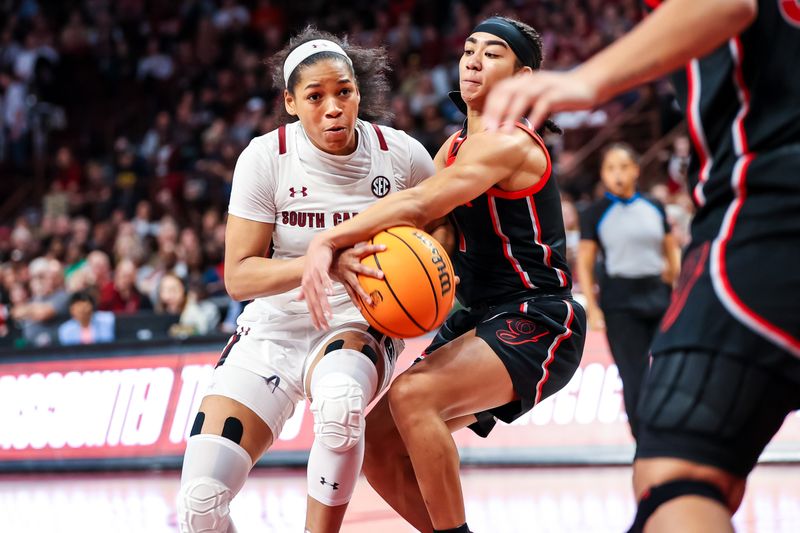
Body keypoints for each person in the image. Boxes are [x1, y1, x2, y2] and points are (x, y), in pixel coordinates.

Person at [483, 1, 800, 532]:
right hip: (639, 294)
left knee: (676, 473)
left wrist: (586, 80)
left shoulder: (650, 207)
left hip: (770, 211)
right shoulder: (600, 210)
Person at [301, 17, 586, 533]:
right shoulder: (453, 149)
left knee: (416, 395)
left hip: (539, 316)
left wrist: (330, 239)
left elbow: (419, 203)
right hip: (479, 316)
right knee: (378, 444)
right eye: (469, 50)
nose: (473, 60)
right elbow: (425, 230)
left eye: (492, 54)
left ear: (522, 77)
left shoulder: (511, 144)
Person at [176, 27, 435, 533]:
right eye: (315, 97)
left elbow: (445, 228)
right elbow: (239, 276)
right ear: (291, 103)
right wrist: (323, 262)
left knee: (340, 407)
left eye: (343, 91)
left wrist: (432, 275)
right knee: (201, 506)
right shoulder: (263, 157)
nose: (333, 107)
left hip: (359, 319)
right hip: (275, 326)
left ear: (358, 92)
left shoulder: (401, 154)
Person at [578, 143, 681, 439]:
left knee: (667, 370)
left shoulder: (654, 206)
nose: (618, 174)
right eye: (610, 168)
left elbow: (671, 248)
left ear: (636, 170)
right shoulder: (595, 213)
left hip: (658, 295)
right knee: (634, 375)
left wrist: (675, 281)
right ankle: (644, 442)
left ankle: (671, 435)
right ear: (603, 175)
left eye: (623, 167)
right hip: (619, 302)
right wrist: (593, 307)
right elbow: (585, 263)